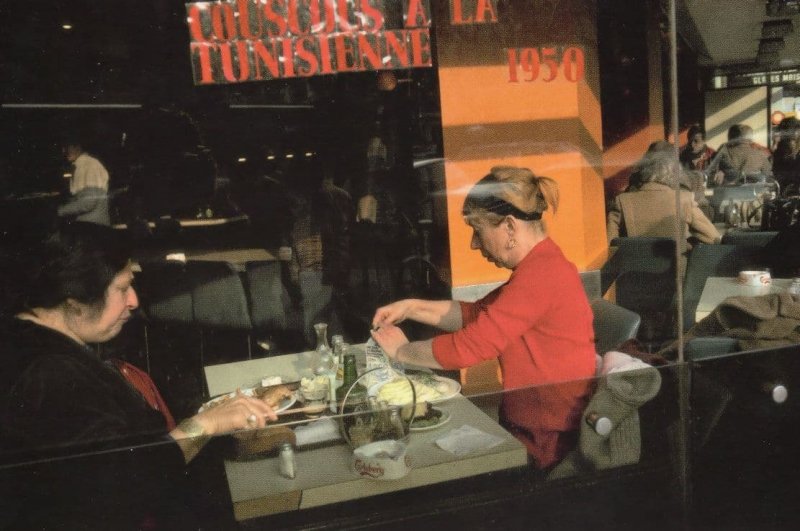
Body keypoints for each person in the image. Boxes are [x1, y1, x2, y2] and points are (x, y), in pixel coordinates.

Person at [0, 222, 278, 528]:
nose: (133, 300)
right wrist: (206, 424)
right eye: (121, 288)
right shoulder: (49, 374)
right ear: (75, 304)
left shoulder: (33, 346)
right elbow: (122, 486)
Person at [370, 166, 596, 469]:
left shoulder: (541, 275)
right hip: (535, 431)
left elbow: (471, 346)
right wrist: (411, 307)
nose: (474, 244)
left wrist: (402, 352)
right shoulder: (542, 265)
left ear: (510, 227)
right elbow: (475, 315)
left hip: (546, 443)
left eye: (478, 232)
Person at [607, 148, 720, 252]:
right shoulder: (684, 199)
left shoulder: (622, 201)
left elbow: (610, 245)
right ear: (674, 175)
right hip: (676, 271)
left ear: (643, 172)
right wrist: (688, 244)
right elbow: (713, 238)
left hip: (633, 271)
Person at [58, 140, 111, 225]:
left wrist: (60, 211)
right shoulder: (80, 166)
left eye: (67, 147)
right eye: (63, 148)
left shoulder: (89, 165)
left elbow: (89, 203)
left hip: (92, 227)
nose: (64, 151)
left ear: (78, 147)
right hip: (87, 225)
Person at [707, 124, 772, 186]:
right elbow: (769, 176)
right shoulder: (760, 154)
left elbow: (710, 174)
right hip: (755, 193)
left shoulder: (724, 152)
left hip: (728, 193)